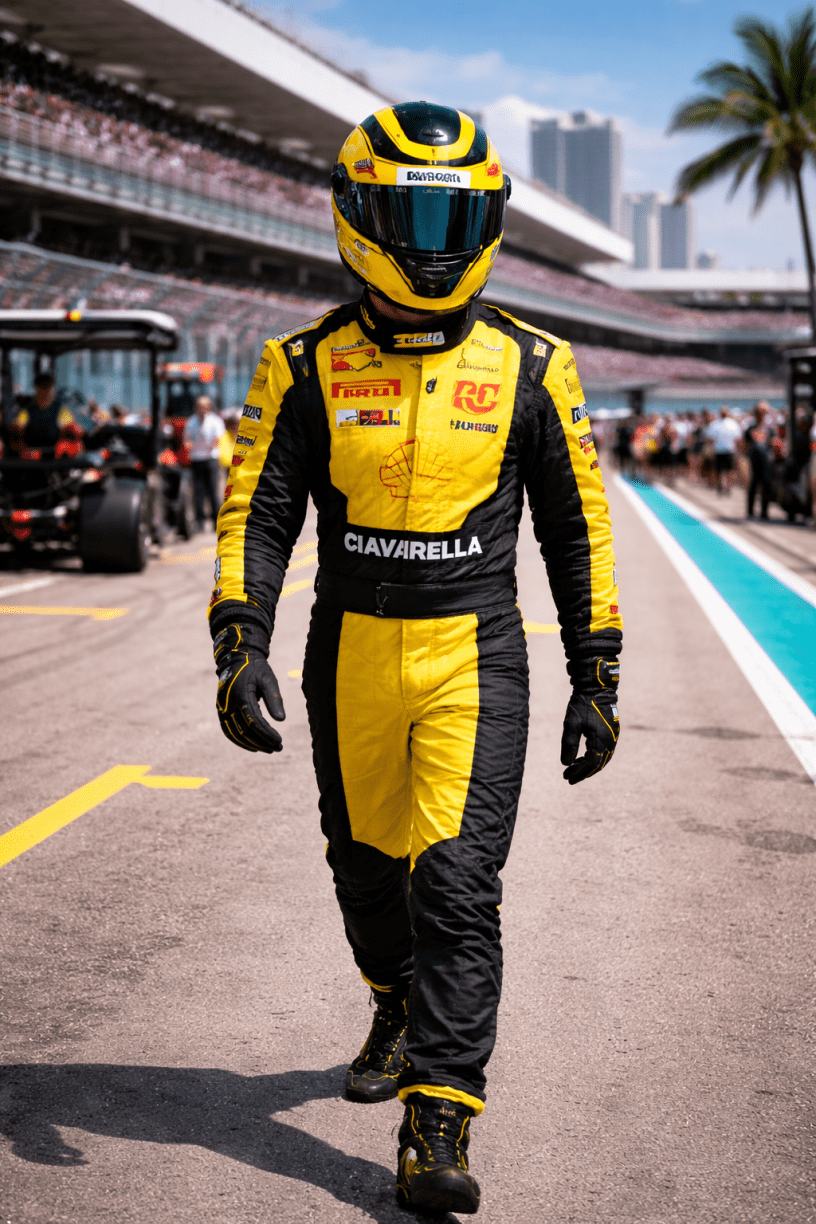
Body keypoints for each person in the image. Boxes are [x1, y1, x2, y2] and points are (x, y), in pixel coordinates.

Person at [208, 103, 622, 1218]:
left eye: (457, 218)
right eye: (414, 216)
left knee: (457, 884)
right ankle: (392, 1003)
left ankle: (439, 1115)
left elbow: (577, 525)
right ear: (359, 215)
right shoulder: (301, 364)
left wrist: (598, 670)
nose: (436, 245)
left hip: (474, 655)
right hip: (348, 650)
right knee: (365, 872)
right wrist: (238, 639)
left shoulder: (535, 363)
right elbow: (258, 511)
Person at [10, 372, 83, 458]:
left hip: (56, 453)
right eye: (42, 388)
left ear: (52, 390)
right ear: (37, 390)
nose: (45, 393)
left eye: (47, 388)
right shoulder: (27, 411)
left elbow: (73, 430)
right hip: (31, 452)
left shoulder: (61, 410)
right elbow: (16, 428)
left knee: (74, 445)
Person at [184, 394, 225, 531]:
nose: (201, 409)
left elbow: (218, 438)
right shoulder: (191, 422)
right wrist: (189, 445)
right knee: (198, 492)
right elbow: (187, 439)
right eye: (199, 406)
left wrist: (211, 444)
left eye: (204, 406)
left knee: (213, 491)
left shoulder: (215, 421)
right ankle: (200, 522)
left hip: (210, 459)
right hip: (197, 459)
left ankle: (216, 521)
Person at [743, 401, 774, 519]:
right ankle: (750, 511)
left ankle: (764, 512)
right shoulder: (750, 429)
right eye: (759, 412)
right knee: (754, 484)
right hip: (754, 461)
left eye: (763, 412)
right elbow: (744, 445)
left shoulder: (770, 429)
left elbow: (774, 444)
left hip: (767, 462)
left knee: (766, 484)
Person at [705, 406, 742, 495]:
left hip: (726, 450)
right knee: (723, 471)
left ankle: (725, 487)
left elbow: (710, 439)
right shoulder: (729, 424)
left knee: (726, 471)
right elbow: (737, 439)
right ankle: (723, 487)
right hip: (722, 450)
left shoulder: (717, 424)